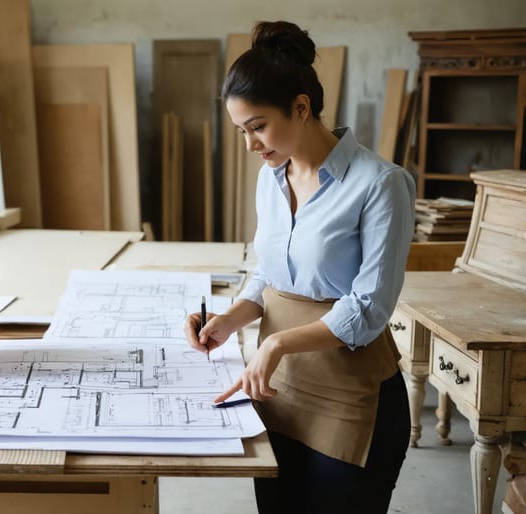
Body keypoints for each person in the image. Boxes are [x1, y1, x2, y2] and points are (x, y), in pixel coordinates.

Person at [184, 21, 415, 514]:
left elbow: (369, 308)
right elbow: (269, 274)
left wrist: (277, 343)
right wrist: (229, 320)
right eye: (242, 131)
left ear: (302, 107)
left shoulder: (380, 184)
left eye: (257, 127)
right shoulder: (271, 178)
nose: (250, 145)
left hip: (349, 396)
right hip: (276, 388)